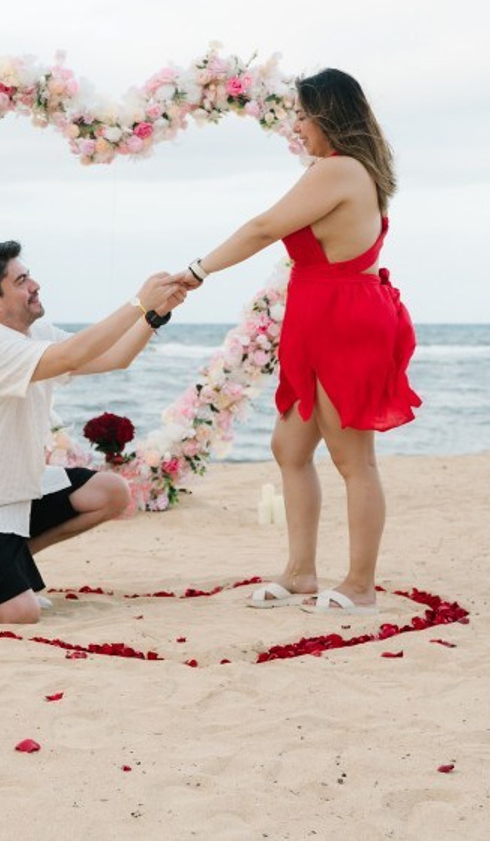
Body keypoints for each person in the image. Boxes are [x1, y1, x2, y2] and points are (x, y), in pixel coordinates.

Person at [177, 69, 420, 614]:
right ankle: (301, 573)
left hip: (344, 320)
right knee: (289, 447)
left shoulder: (339, 170)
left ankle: (360, 584)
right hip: (315, 316)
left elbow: (264, 228)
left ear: (329, 116)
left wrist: (197, 271)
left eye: (304, 115)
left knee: (353, 458)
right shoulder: (341, 170)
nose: (297, 126)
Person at [0, 240, 186, 626]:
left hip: (15, 489)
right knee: (18, 613)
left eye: (29, 276)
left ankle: (6, 567)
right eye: (21, 280)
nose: (35, 285)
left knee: (111, 493)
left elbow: (115, 357)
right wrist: (137, 302)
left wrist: (155, 314)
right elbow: (70, 356)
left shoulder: (36, 332)